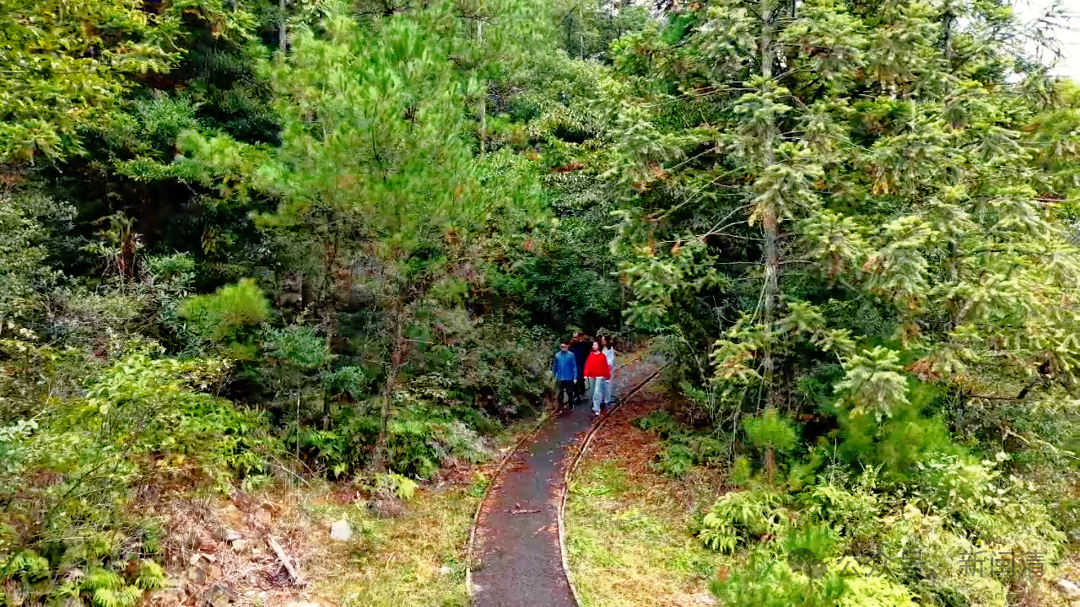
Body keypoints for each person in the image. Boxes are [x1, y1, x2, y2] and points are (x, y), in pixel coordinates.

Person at [582, 340, 611, 417]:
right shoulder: (591, 355)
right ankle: (595, 405)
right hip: (592, 376)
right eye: (593, 345)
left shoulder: (602, 356)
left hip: (600, 376)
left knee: (597, 392)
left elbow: (605, 367)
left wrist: (607, 377)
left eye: (595, 345)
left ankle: (597, 409)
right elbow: (587, 365)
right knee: (592, 391)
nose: (594, 346)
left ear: (598, 346)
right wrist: (586, 374)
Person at [552, 341, 577, 412]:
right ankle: (561, 407)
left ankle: (571, 404)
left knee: (570, 392)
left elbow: (574, 366)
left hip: (569, 377)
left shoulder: (571, 355)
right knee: (560, 393)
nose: (563, 348)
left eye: (564, 347)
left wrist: (575, 377)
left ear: (567, 346)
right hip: (560, 377)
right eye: (561, 347)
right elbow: (555, 367)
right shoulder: (557, 355)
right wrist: (553, 376)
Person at [568, 332, 592, 402]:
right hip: (573, 364)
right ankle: (576, 394)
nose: (575, 339)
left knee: (581, 379)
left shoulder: (584, 344)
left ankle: (582, 393)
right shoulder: (571, 345)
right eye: (574, 337)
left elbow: (588, 352)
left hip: (581, 363)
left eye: (576, 337)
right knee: (574, 379)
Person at [601, 335, 617, 405]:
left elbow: (611, 359)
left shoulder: (610, 349)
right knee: (601, 384)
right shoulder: (600, 348)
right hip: (600, 369)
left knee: (608, 384)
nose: (603, 341)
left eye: (604, 340)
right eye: (602, 340)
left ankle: (607, 400)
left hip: (608, 369)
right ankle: (601, 399)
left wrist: (607, 364)